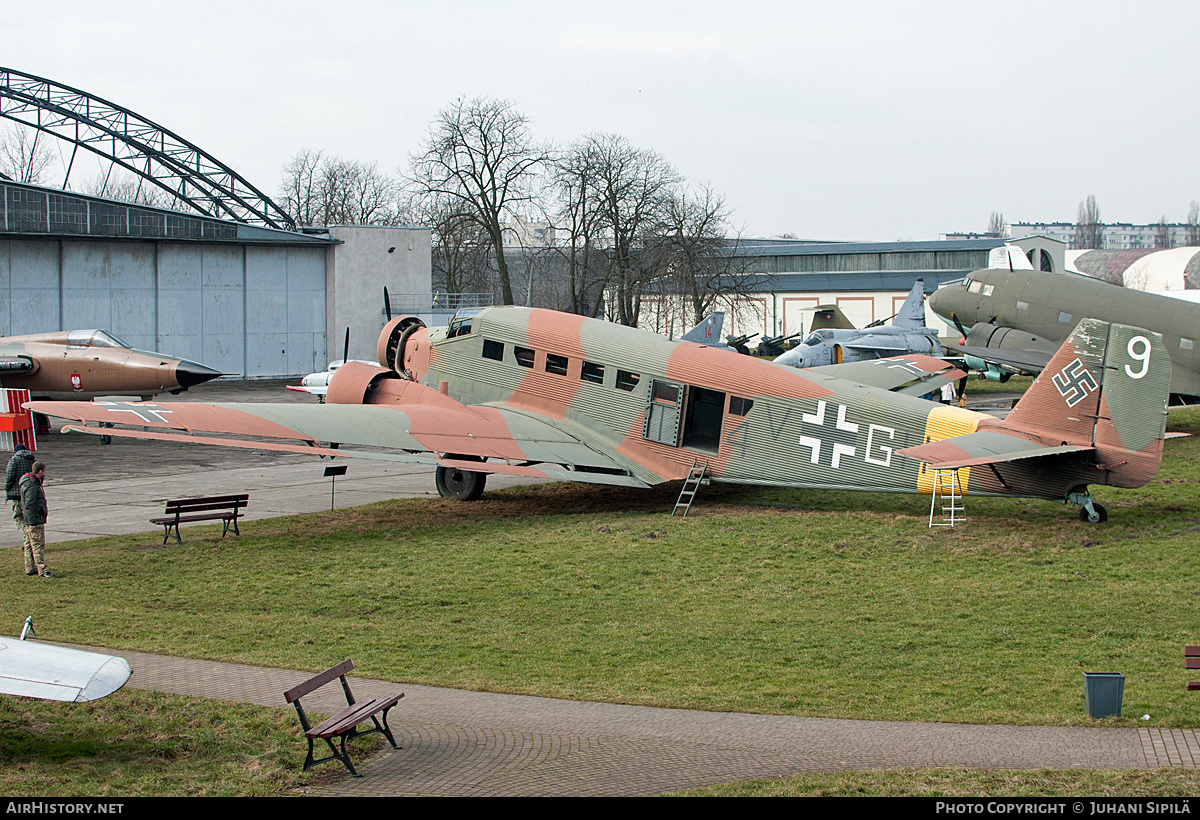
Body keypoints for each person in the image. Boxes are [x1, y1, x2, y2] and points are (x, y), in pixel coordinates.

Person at [19, 461, 50, 578]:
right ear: (40, 471)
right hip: (34, 519)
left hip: (28, 518)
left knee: (28, 544)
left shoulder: (27, 481)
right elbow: (30, 504)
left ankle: (30, 567)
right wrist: (32, 522)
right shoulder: (32, 485)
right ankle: (42, 570)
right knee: (37, 545)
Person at [5, 444, 34, 537]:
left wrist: (8, 488)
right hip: (29, 492)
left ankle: (27, 536)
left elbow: (10, 476)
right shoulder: (32, 459)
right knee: (28, 516)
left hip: (17, 493)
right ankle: (32, 535)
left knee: (18, 517)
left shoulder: (14, 460)